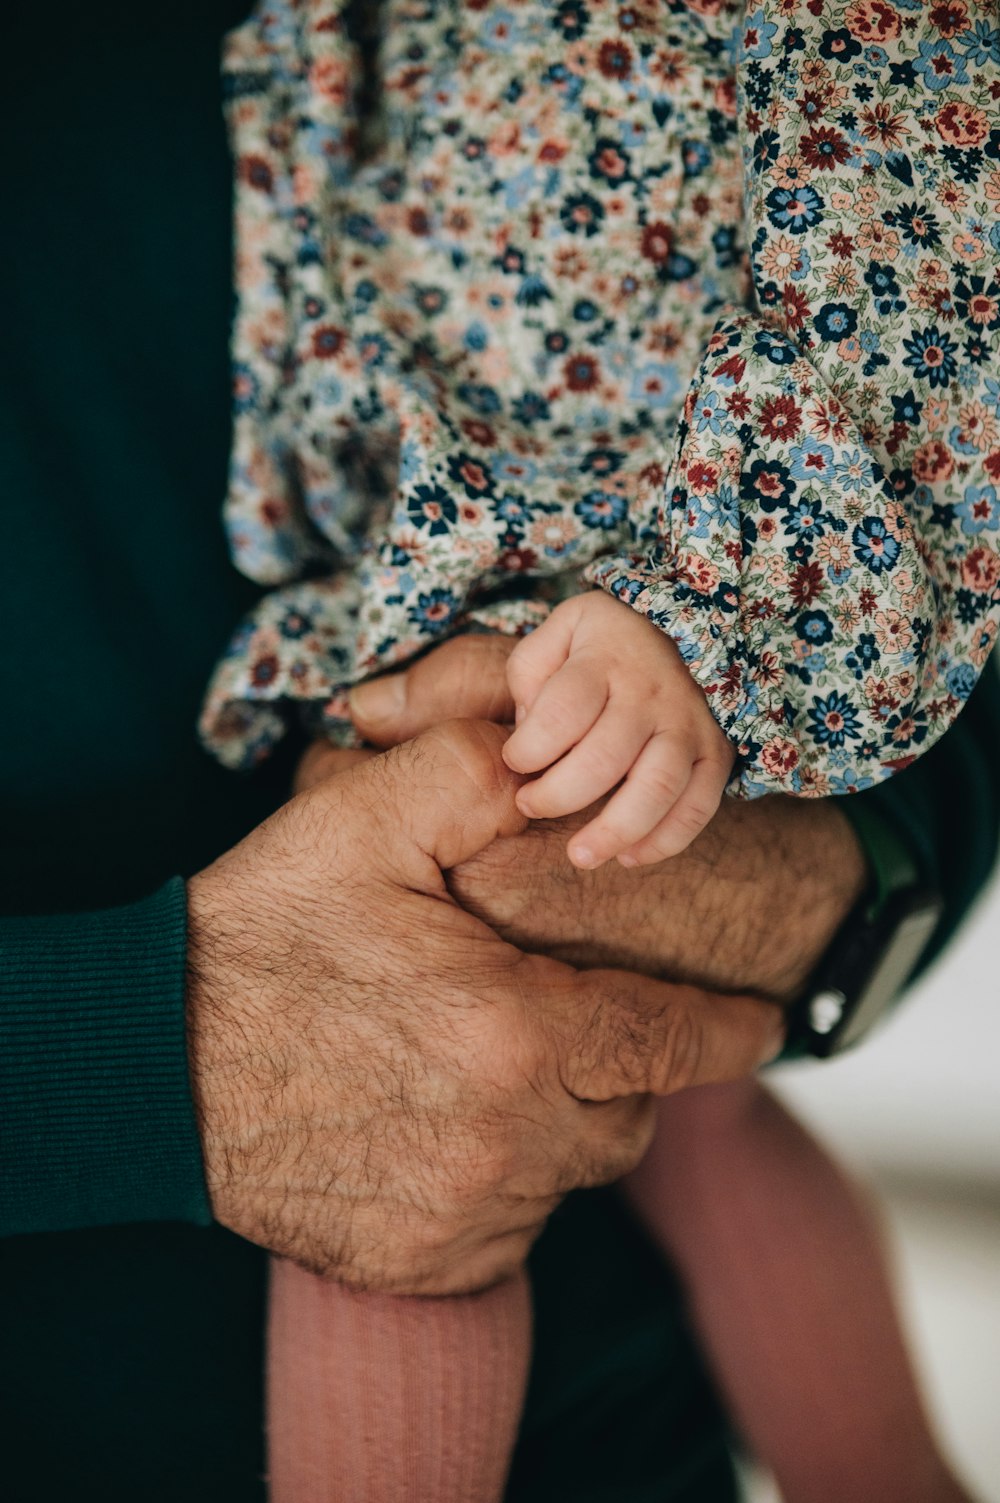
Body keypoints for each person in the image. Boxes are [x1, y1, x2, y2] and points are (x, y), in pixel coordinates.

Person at [2, 7, 999, 1503]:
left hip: (550, 667)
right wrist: (136, 1062)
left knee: (469, 1201)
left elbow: (954, 628)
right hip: (513, 688)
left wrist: (825, 832)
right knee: (451, 1173)